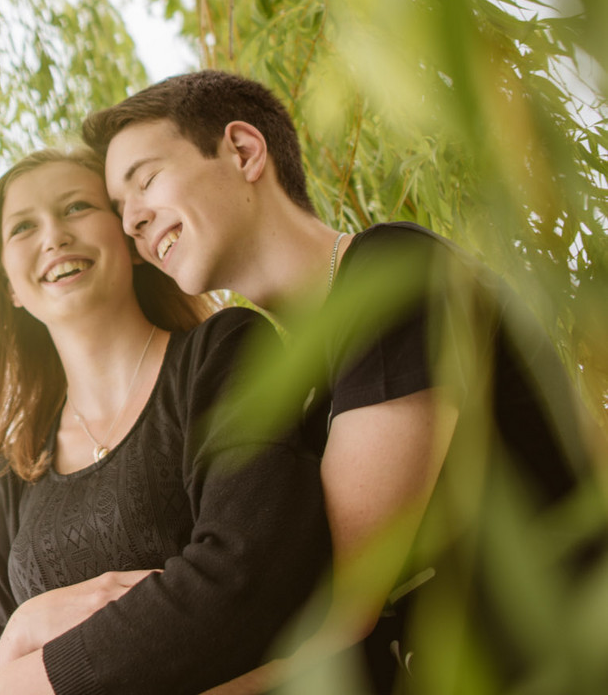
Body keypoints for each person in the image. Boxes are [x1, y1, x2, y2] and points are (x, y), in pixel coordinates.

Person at [86, 69, 595, 693]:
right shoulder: (288, 383)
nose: (133, 225)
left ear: (243, 151)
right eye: (121, 213)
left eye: (146, 182)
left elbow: (334, 600)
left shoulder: (395, 274)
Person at [0, 146, 329, 695]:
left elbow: (247, 580)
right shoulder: (5, 481)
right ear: (9, 285)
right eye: (24, 228)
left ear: (129, 242)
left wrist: (31, 677)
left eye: (77, 208)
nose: (54, 236)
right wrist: (23, 629)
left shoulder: (222, 355)